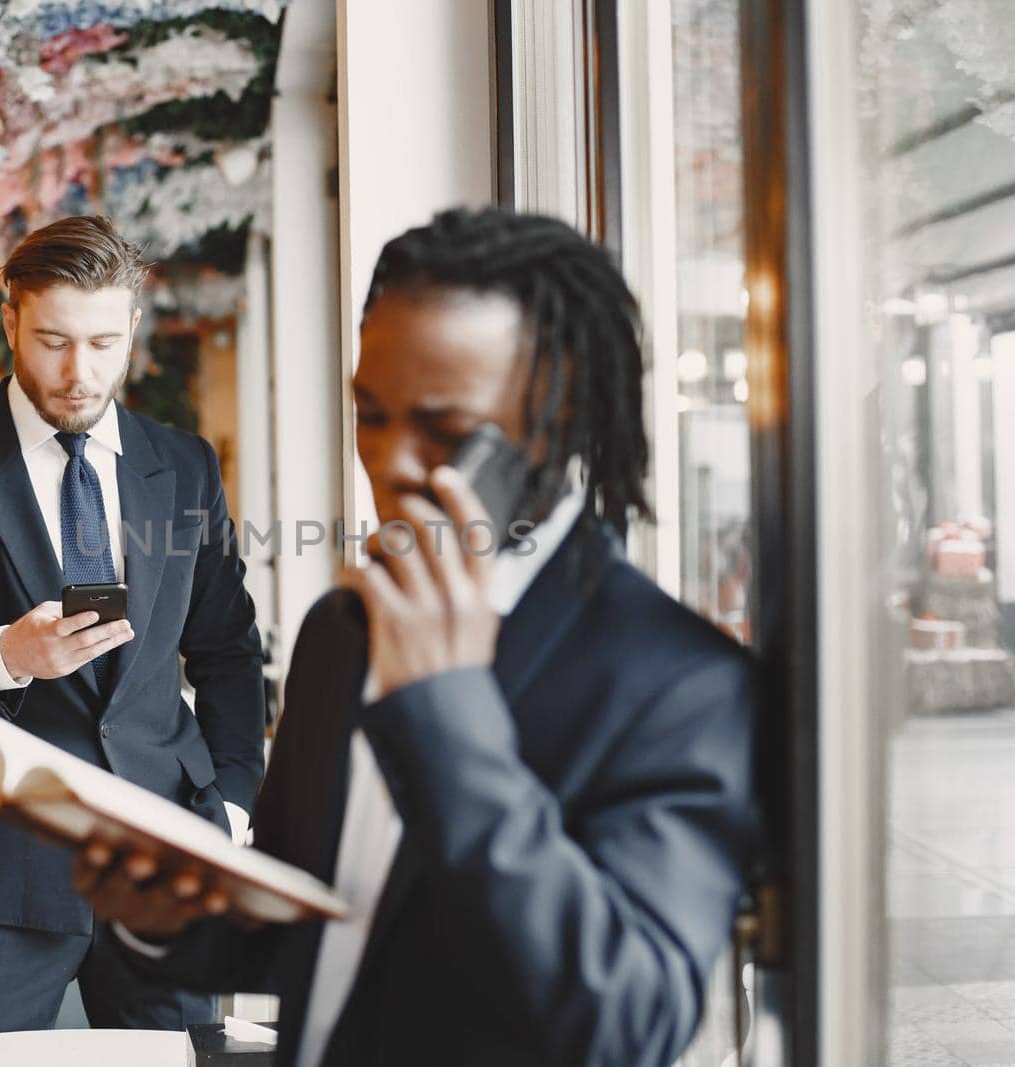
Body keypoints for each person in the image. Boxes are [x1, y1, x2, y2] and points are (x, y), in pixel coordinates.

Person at [74, 207, 757, 1066]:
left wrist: (446, 712)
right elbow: (310, 933)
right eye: (373, 413)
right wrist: (161, 923)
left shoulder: (681, 682)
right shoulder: (344, 629)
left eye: (445, 429)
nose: (391, 462)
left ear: (560, 416)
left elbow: (624, 1021)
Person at [0, 215, 266, 1036]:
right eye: (52, 340)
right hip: (3, 867)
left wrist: (229, 809)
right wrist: (7, 653)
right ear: (9, 321)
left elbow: (227, 650)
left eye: (103, 343)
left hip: (166, 860)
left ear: (133, 329)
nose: (80, 373)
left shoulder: (183, 465)